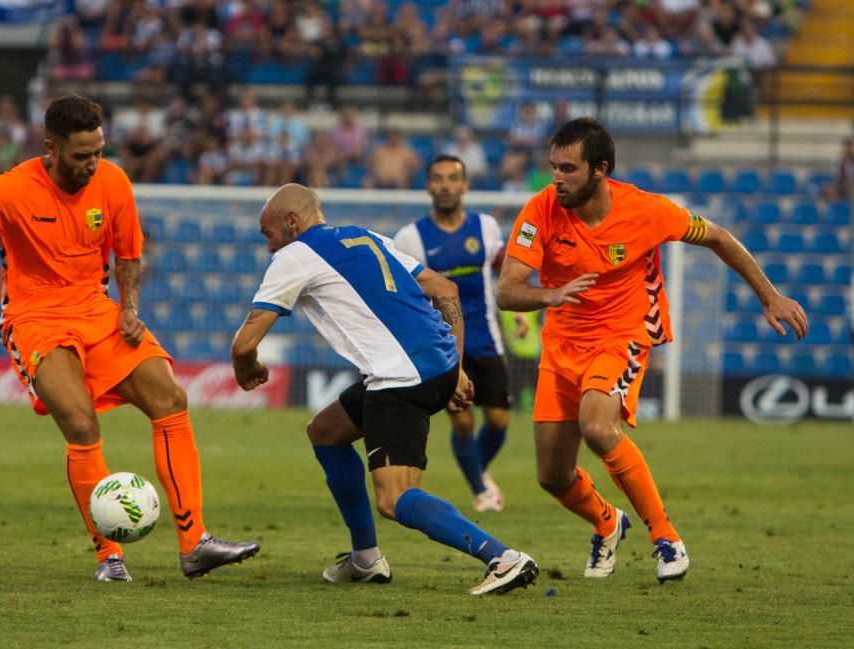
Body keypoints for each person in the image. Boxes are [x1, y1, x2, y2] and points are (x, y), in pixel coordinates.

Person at [0, 93, 258, 583]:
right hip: (35, 318)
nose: (93, 163)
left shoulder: (113, 181)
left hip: (97, 311)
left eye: (98, 151)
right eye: (82, 155)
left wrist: (132, 309)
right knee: (80, 424)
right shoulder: (12, 190)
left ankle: (195, 543)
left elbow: (129, 256)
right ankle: (109, 557)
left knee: (171, 397)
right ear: (50, 148)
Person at [496, 117, 808, 582]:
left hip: (623, 333)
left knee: (598, 426)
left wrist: (769, 295)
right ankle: (607, 521)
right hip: (562, 344)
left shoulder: (647, 210)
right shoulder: (540, 210)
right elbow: (506, 291)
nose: (556, 178)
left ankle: (665, 538)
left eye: (568, 169)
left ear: (600, 169)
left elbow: (719, 238)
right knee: (552, 477)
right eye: (553, 167)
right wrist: (549, 296)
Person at [231, 183, 539, 596]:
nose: (267, 244)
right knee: (325, 432)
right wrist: (456, 369)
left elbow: (244, 343)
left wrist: (246, 366)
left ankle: (503, 558)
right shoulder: (366, 236)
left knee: (395, 498)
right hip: (439, 363)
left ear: (291, 222)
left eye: (267, 233)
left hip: (401, 377)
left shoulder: (294, 256)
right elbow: (445, 289)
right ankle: (365, 559)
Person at [393, 155, 514, 513]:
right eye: (437, 178)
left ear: (465, 186)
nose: (445, 185)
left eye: (452, 178)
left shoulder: (486, 227)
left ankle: (478, 469)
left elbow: (502, 267)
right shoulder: (410, 237)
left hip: (487, 337)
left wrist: (518, 316)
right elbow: (404, 293)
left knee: (498, 421)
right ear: (428, 186)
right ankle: (480, 489)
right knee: (463, 421)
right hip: (445, 345)